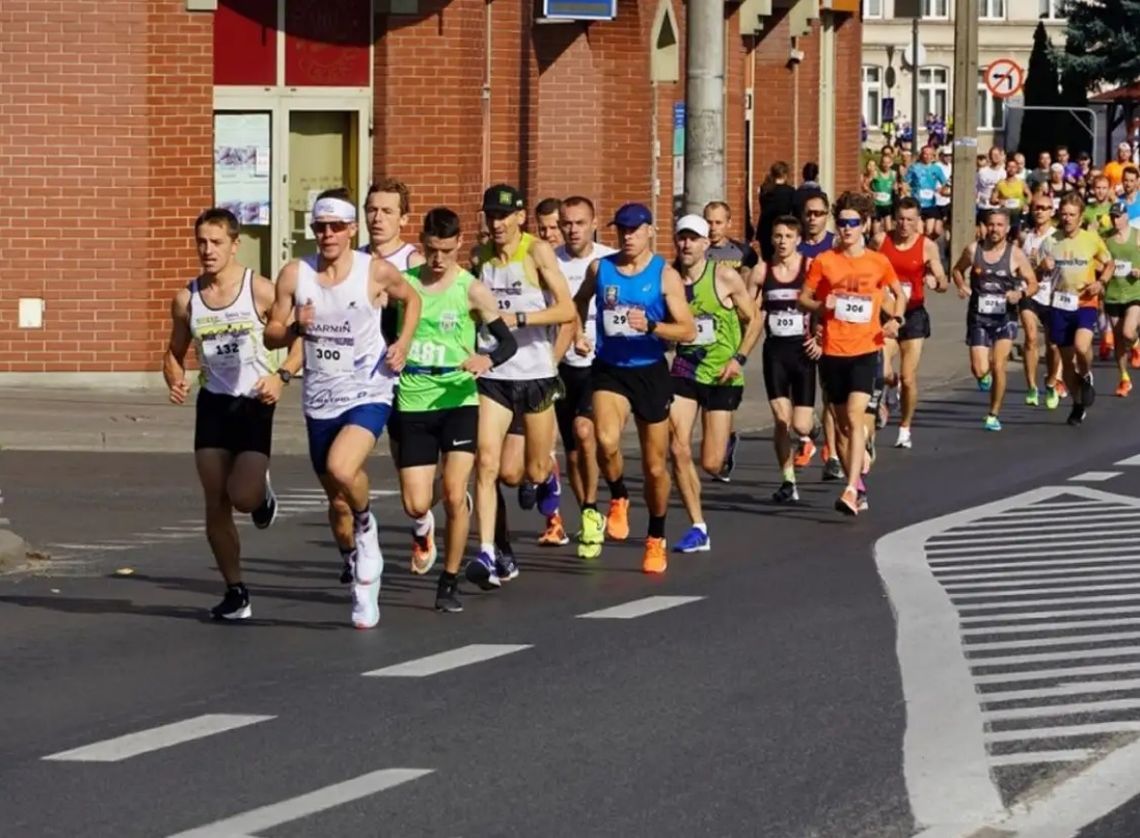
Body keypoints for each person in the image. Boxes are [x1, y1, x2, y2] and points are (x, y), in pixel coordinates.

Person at [264, 188, 421, 630]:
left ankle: (368, 526)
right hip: (320, 399)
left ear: (352, 230)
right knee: (336, 503)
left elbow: (413, 301)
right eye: (319, 227)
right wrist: (296, 325)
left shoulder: (376, 271)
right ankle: (359, 577)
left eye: (336, 227)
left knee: (342, 467)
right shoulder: (296, 274)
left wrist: (403, 343)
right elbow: (272, 334)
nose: (327, 235)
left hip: (369, 390)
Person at [163, 208, 299, 620]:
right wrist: (175, 378)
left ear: (235, 244)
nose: (208, 250)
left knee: (242, 496)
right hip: (214, 405)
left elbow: (298, 340)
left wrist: (282, 377)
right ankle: (235, 590)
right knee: (215, 499)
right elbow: (172, 351)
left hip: (255, 402)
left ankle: (262, 497)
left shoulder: (258, 289)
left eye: (217, 242)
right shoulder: (187, 298)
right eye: (201, 242)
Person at [393, 207, 518, 612]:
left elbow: (506, 343)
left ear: (459, 244)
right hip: (413, 396)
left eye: (446, 250)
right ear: (423, 242)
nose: (438, 259)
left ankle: (449, 581)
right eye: (431, 249)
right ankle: (425, 528)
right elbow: (382, 328)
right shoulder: (405, 284)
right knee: (415, 502)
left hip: (458, 398)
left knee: (452, 491)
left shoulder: (471, 289)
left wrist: (487, 360)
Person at [572, 202, 696, 571]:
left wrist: (653, 327)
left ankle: (656, 536)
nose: (627, 236)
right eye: (622, 230)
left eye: (634, 230)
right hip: (610, 369)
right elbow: (578, 301)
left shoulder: (665, 275)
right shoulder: (602, 268)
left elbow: (687, 330)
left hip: (649, 371)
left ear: (648, 232)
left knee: (655, 467)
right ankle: (619, 496)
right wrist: (579, 333)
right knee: (605, 440)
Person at [466, 184, 575, 589]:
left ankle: (548, 473)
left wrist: (522, 320)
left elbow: (566, 309)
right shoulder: (479, 257)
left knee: (524, 472)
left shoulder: (536, 252)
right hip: (494, 376)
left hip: (535, 374)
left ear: (519, 218)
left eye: (503, 216)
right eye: (490, 216)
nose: (496, 223)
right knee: (490, 466)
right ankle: (490, 552)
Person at [800, 191, 904, 516]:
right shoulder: (824, 262)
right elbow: (803, 298)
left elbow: (899, 294)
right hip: (833, 351)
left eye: (853, 223)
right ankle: (857, 484)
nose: (846, 229)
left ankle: (848, 489)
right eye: (842, 222)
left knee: (857, 417)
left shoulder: (878, 261)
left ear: (865, 224)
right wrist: (820, 304)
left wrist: (896, 320)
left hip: (866, 349)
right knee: (844, 426)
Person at [667, 214, 761, 552]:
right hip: (685, 369)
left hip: (723, 373)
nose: (687, 244)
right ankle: (698, 526)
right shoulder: (670, 279)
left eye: (694, 238)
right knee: (677, 447)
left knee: (710, 463)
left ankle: (728, 440)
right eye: (682, 238)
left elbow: (754, 321)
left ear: (707, 244)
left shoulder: (724, 276)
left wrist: (739, 359)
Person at [548, 196, 617, 557]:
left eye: (579, 222)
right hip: (562, 365)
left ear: (594, 223)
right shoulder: (550, 262)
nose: (572, 229)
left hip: (601, 365)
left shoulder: (607, 261)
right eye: (566, 223)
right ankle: (589, 510)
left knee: (586, 431)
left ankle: (612, 495)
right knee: (573, 453)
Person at [871, 197, 948, 449]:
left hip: (913, 315)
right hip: (886, 314)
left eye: (910, 220)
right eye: (900, 219)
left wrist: (937, 281)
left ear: (918, 222)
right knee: (881, 372)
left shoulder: (926, 245)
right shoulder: (882, 240)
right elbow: (865, 265)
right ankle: (888, 389)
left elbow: (941, 276)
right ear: (894, 219)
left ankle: (904, 427)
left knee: (908, 377)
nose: (904, 225)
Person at [951, 209, 1037, 431]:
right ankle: (984, 377)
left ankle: (993, 413)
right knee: (979, 369)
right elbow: (957, 270)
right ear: (984, 227)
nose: (995, 229)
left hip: (1005, 318)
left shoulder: (1015, 254)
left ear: (1007, 229)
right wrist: (962, 286)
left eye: (1000, 225)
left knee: (999, 365)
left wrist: (1020, 294)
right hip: (978, 317)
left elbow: (1033, 283)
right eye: (991, 224)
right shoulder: (973, 250)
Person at [755, 215, 820, 502]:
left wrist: (820, 339)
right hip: (775, 352)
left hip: (803, 351)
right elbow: (749, 309)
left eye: (788, 236)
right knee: (781, 420)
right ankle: (788, 480)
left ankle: (814, 430)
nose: (782, 241)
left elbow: (823, 304)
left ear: (798, 240)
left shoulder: (809, 269)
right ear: (771, 239)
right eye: (778, 236)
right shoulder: (762, 271)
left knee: (801, 425)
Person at [1038, 192, 1115, 425]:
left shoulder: (1091, 239)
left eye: (1072, 215)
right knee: (1067, 362)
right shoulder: (1051, 241)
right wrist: (1042, 266)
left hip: (1084, 303)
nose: (1068, 218)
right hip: (1060, 305)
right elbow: (1037, 273)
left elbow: (1109, 263)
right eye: (1064, 214)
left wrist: (1100, 282)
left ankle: (1087, 373)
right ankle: (1078, 402)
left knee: (1082, 346)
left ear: (1081, 217)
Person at [702, 200, 760, 482]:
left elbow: (753, 281)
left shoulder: (742, 252)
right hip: (703, 331)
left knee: (724, 382)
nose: (713, 228)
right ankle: (718, 439)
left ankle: (726, 437)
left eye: (718, 222)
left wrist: (748, 306)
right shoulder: (697, 250)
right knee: (704, 386)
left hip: (733, 325)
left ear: (728, 223)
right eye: (708, 222)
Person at [1019, 191, 1064, 408]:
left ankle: (1051, 381)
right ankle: (1031, 387)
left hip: (1052, 295)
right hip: (1029, 293)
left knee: (1053, 345)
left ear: (1052, 212)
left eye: (1045, 208)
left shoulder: (1058, 237)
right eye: (1037, 207)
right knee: (1029, 336)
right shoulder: (1025, 237)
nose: (1040, 211)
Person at [1102, 200, 1140, 395]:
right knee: (1118, 338)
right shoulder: (1105, 239)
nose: (1115, 220)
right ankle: (1124, 378)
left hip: (1135, 293)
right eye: (1112, 216)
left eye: (1118, 216)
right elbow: (1098, 261)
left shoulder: (1137, 235)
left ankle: (1135, 342)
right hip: (1113, 294)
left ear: (1126, 217)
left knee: (1127, 332)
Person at [361, 179, 426, 271]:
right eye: (372, 210)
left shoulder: (414, 264)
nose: (377, 218)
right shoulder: (354, 259)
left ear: (403, 219)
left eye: (387, 212)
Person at [757, 161, 797, 263]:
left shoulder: (764, 189)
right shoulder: (790, 191)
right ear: (785, 174)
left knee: (767, 260)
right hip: (782, 228)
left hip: (765, 229)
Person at [905, 145, 949, 238]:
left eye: (930, 154)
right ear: (921, 154)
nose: (928, 156)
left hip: (931, 204)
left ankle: (927, 247)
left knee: (930, 231)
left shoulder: (936, 169)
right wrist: (905, 192)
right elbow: (905, 182)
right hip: (917, 203)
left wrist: (943, 191)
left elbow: (944, 183)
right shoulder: (914, 168)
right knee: (919, 231)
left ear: (933, 156)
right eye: (925, 154)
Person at [990, 159, 1031, 241]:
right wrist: (999, 201)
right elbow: (992, 200)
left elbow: (1029, 195)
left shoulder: (1021, 182)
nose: (1011, 169)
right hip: (1005, 215)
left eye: (1014, 167)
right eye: (1009, 166)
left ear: (1017, 169)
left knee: (1017, 238)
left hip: (1018, 214)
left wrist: (1026, 204)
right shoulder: (1000, 183)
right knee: (1004, 238)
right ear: (1005, 168)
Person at [868, 151, 897, 236]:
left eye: (888, 163)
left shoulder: (894, 174)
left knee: (889, 228)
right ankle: (874, 245)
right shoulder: (876, 173)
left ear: (891, 163)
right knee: (876, 228)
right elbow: (864, 185)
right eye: (884, 162)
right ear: (881, 163)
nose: (886, 165)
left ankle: (887, 246)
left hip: (888, 204)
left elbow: (895, 185)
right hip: (877, 204)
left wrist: (895, 188)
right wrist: (871, 192)